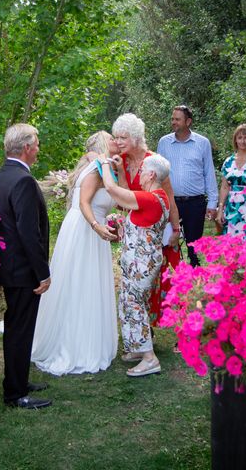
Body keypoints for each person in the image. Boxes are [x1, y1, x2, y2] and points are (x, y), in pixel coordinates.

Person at [31, 131, 119, 376]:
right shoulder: (95, 169)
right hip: (86, 229)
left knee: (82, 283)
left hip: (86, 227)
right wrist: (96, 226)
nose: (115, 142)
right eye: (112, 139)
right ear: (104, 144)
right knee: (82, 283)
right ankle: (76, 344)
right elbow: (84, 203)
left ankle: (85, 335)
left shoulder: (104, 167)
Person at [0, 123, 52, 410]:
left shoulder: (3, 174)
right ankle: (15, 393)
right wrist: (43, 271)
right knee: (20, 329)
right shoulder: (23, 180)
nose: (38, 148)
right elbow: (29, 232)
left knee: (18, 327)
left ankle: (18, 381)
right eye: (37, 143)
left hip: (9, 266)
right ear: (27, 147)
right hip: (23, 270)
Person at [97, 153, 172, 377]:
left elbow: (113, 191)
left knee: (134, 303)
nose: (138, 175)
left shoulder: (151, 199)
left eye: (141, 171)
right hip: (139, 261)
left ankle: (149, 358)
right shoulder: (153, 196)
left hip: (143, 263)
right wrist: (121, 171)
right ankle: (137, 348)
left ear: (151, 174)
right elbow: (125, 201)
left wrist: (103, 164)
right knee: (130, 301)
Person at [111, 113, 180, 331]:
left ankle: (169, 326)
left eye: (123, 137)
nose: (118, 142)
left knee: (162, 278)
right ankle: (143, 328)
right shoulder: (120, 161)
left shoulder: (154, 161)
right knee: (137, 276)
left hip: (157, 228)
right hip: (136, 231)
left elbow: (169, 199)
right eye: (116, 138)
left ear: (136, 137)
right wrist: (121, 172)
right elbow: (122, 200)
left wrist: (176, 230)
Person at [157, 105, 218, 266]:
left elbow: (208, 173)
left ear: (188, 121)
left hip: (195, 203)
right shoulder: (164, 143)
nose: (173, 122)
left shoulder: (202, 143)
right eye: (172, 119)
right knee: (168, 242)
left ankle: (194, 279)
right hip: (170, 202)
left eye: (177, 119)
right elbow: (157, 173)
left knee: (194, 246)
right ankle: (170, 279)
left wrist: (212, 203)